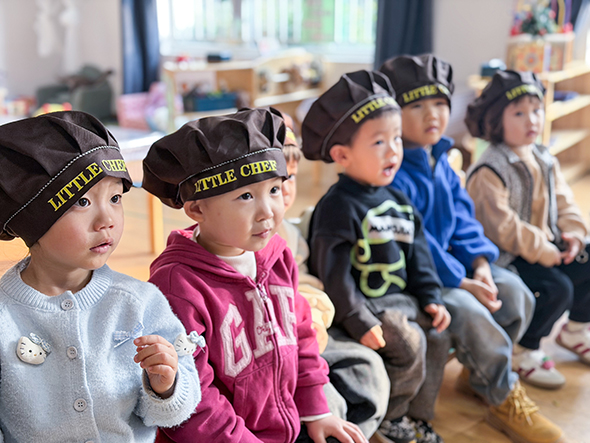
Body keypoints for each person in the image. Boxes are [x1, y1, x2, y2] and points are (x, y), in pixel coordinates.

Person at [142, 107, 366, 443]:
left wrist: (316, 410)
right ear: (197, 208)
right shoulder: (177, 287)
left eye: (274, 190)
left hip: (287, 426)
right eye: (246, 196)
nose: (267, 212)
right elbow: (193, 397)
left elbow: (302, 336)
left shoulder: (278, 255)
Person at [380, 54, 564, 443]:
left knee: (514, 292)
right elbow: (417, 243)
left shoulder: (441, 160)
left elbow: (465, 220)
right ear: (393, 114)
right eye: (417, 106)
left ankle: (478, 376)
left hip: (458, 266)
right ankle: (503, 397)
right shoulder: (391, 171)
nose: (433, 115)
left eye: (440, 103)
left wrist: (480, 264)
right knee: (471, 309)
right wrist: (462, 282)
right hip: (421, 277)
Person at [0, 111, 201, 443]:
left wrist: (166, 386)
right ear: (31, 219)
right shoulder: (5, 317)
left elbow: (176, 410)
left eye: (115, 198)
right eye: (82, 201)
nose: (107, 219)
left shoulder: (141, 302)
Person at [302, 69, 452, 443]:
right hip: (363, 307)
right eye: (379, 142)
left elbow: (419, 256)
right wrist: (358, 319)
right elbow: (333, 274)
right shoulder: (337, 206)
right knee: (408, 341)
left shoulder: (399, 200)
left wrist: (431, 296)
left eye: (397, 138)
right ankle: (391, 417)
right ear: (342, 154)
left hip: (402, 299)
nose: (393, 150)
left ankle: (418, 415)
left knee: (438, 336)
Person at [465, 70, 590, 389]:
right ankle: (524, 349)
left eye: (536, 110)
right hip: (506, 256)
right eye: (519, 113)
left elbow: (563, 199)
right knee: (555, 288)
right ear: (495, 120)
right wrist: (542, 250)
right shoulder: (490, 169)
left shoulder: (543, 156)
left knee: (587, 260)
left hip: (544, 245)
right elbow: (503, 227)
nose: (531, 120)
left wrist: (575, 233)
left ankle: (575, 329)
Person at [278, 124, 390, 440]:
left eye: (291, 177)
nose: (284, 189)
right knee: (328, 403)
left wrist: (314, 315)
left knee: (369, 372)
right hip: (278, 351)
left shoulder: (290, 234)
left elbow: (307, 282)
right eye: (274, 181)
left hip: (310, 334)